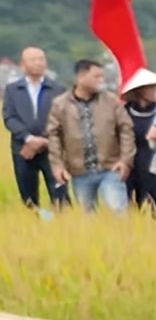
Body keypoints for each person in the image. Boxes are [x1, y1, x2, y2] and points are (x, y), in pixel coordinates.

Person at [45, 59, 135, 213]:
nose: (101, 80)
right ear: (81, 77)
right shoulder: (60, 104)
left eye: (102, 76)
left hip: (110, 168)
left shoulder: (111, 101)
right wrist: (57, 165)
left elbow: (126, 130)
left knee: (118, 213)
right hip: (79, 171)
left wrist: (125, 160)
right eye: (96, 76)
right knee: (87, 218)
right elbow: (54, 137)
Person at [1, 46, 66, 209]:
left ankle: (60, 226)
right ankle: (40, 223)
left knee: (59, 193)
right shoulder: (13, 90)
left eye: (41, 59)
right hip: (23, 150)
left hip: (52, 149)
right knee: (29, 197)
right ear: (22, 65)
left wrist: (43, 141)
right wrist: (29, 139)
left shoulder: (58, 89)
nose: (38, 63)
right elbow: (9, 118)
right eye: (33, 59)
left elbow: (62, 119)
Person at [119, 67, 156, 210]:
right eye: (151, 88)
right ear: (140, 90)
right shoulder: (124, 112)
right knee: (131, 203)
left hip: (152, 161)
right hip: (130, 162)